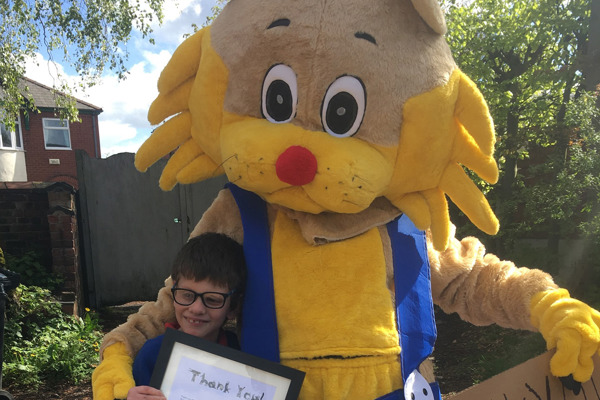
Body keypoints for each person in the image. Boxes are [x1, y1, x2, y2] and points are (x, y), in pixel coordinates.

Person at [126, 232, 246, 400]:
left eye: (212, 299)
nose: (196, 309)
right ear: (173, 292)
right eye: (187, 295)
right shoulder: (152, 354)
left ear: (233, 307)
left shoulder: (242, 355)